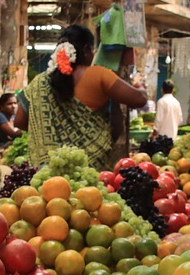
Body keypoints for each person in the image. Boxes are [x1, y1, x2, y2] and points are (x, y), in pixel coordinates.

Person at [14, 24, 147, 169]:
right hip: (89, 169)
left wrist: (50, 130)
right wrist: (134, 86)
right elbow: (140, 99)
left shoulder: (39, 82)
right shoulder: (99, 75)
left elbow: (19, 121)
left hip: (49, 170)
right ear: (86, 50)